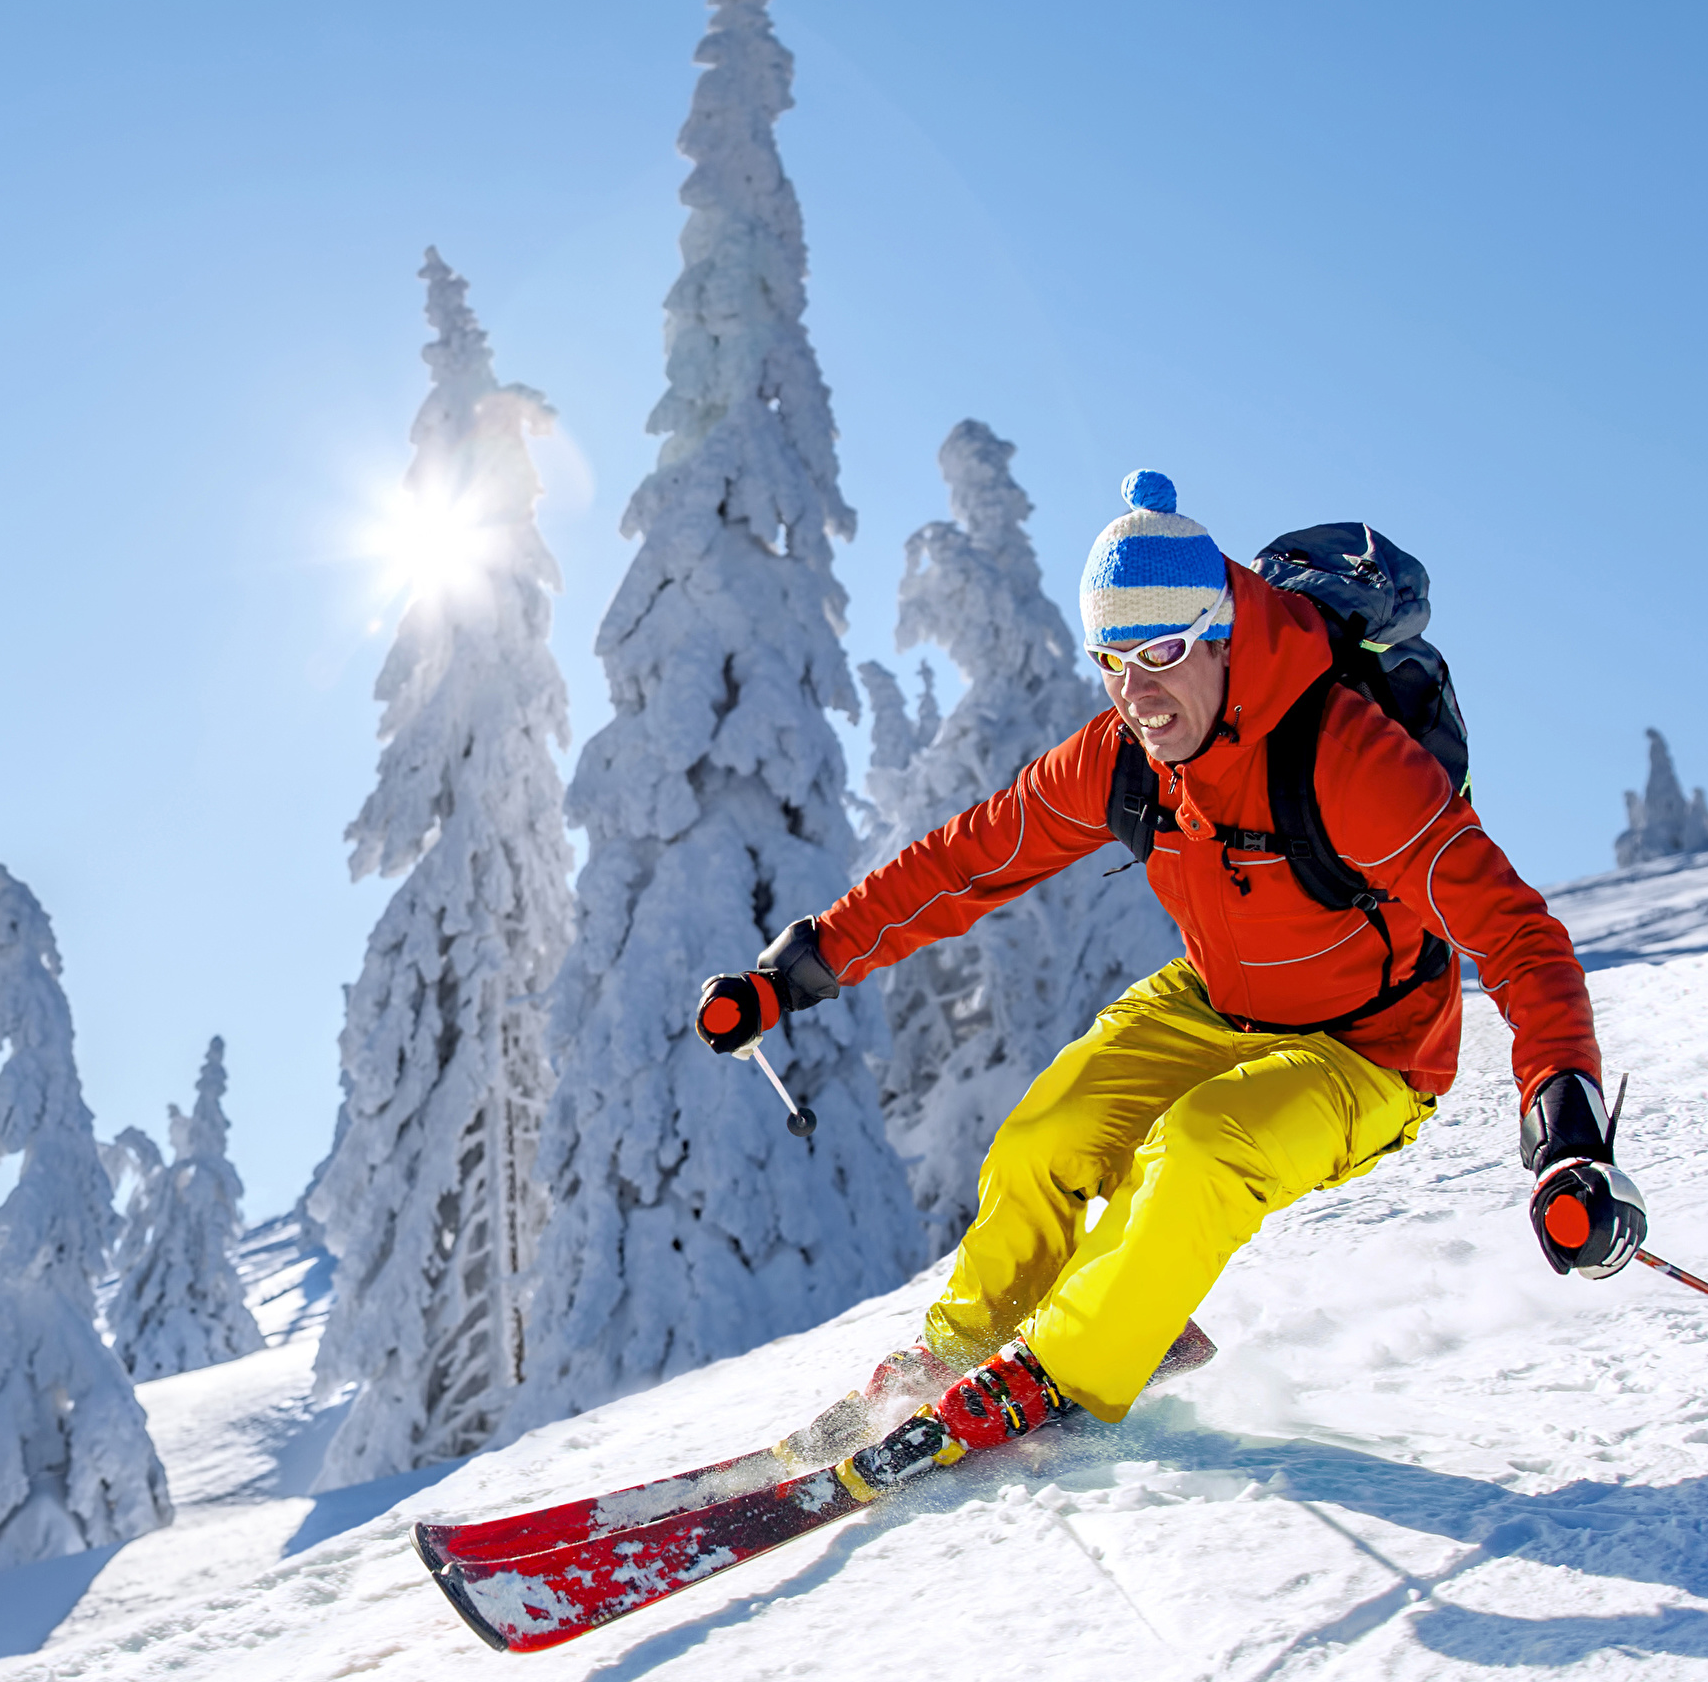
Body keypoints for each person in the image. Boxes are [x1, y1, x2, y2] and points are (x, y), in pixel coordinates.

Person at [692, 470, 1646, 1473]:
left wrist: (1566, 1130)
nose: (1138, 694)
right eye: (1112, 662)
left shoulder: (1347, 759)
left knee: (1201, 1147)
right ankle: (958, 1354)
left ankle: (1061, 1375)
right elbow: (968, 860)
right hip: (1217, 1001)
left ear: (1224, 631)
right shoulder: (1125, 756)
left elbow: (1518, 934)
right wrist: (798, 969)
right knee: (1043, 1136)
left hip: (1369, 1046)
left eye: (1163, 653)